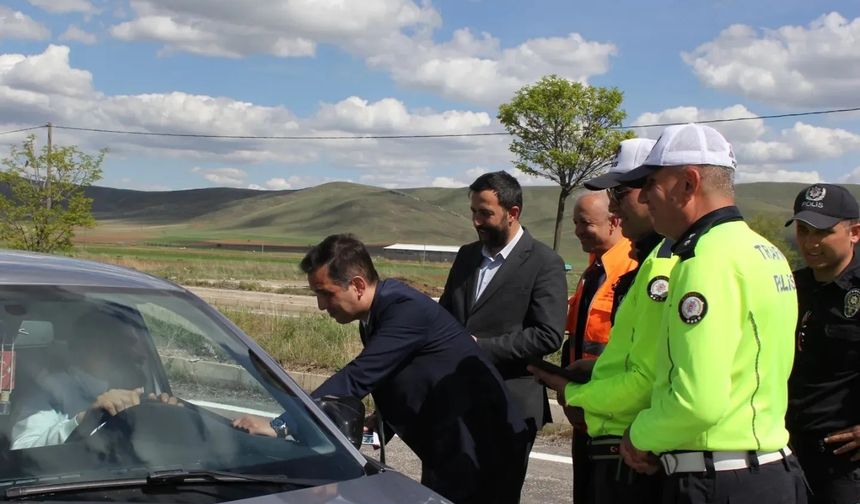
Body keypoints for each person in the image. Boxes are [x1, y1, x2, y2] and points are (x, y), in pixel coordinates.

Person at [236, 234, 529, 504]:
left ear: (359, 285)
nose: (321, 306)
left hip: (481, 449)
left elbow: (358, 376)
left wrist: (281, 426)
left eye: (326, 293)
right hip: (451, 445)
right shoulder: (377, 314)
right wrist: (382, 420)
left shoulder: (404, 309)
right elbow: (403, 373)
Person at [616, 123, 806, 503]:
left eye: (651, 183)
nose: (645, 198)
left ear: (688, 183)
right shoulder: (763, 250)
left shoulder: (703, 260)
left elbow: (697, 401)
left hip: (717, 478)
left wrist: (639, 435)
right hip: (771, 469)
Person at [531, 137, 675, 503]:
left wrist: (582, 392)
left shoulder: (657, 266)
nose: (616, 205)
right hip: (596, 412)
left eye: (621, 193)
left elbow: (649, 368)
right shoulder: (597, 270)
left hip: (631, 430)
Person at [438, 171, 568, 479]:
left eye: (485, 213)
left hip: (509, 406)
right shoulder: (467, 256)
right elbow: (445, 315)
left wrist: (481, 348)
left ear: (513, 213)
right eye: (473, 212)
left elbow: (548, 334)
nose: (477, 221)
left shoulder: (544, 262)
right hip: (455, 399)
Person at [11, 306, 180, 449]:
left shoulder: (143, 393)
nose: (141, 355)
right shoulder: (50, 391)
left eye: (141, 344)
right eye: (129, 343)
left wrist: (168, 419)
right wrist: (89, 418)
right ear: (95, 348)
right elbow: (23, 448)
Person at [785, 183, 860, 504]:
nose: (810, 242)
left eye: (823, 232)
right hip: (788, 451)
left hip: (845, 463)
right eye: (803, 230)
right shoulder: (792, 286)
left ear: (854, 232)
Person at [564, 189, 637, 504]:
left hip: (616, 415)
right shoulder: (594, 268)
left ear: (614, 222)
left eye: (585, 223)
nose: (578, 231)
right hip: (586, 407)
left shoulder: (631, 269)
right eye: (575, 223)